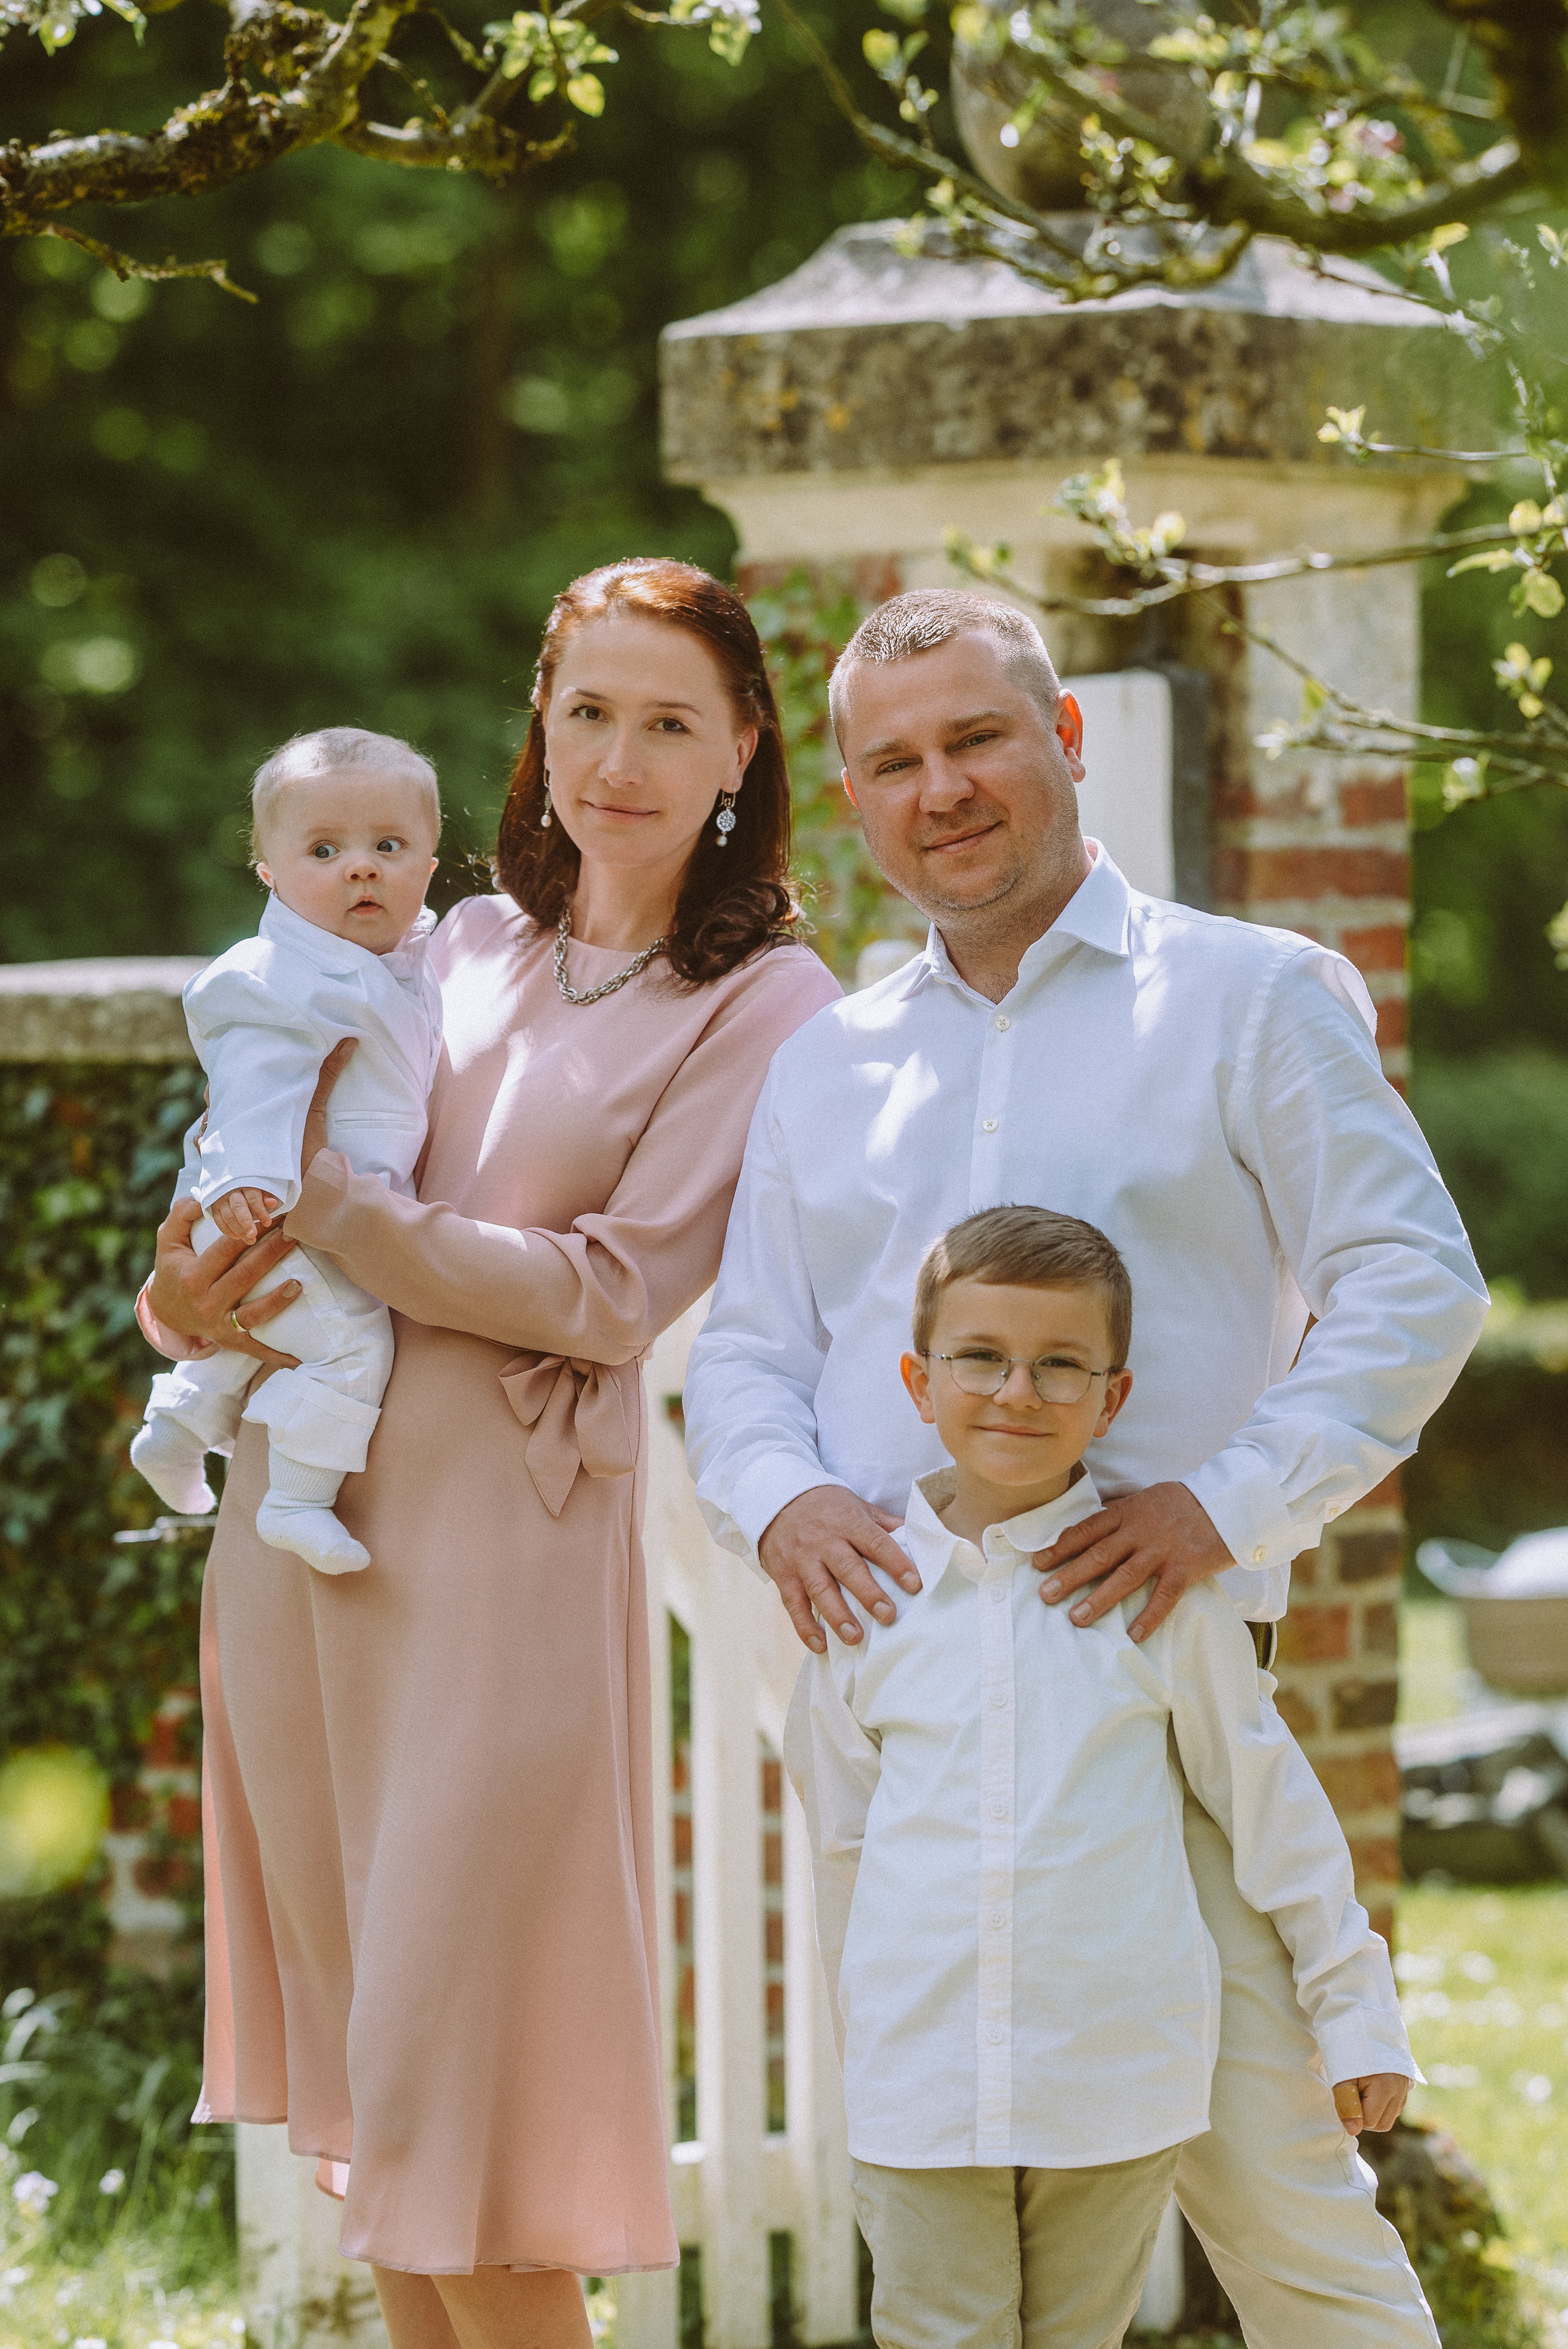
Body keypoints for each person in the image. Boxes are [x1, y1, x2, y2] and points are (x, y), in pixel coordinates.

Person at [685, 588, 1488, 2342]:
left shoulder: (1251, 998)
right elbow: (746, 1353)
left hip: (1153, 1715)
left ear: (1064, 741)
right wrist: (789, 1497)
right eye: (891, 762)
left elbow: (1414, 1285)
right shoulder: (830, 1065)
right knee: (953, 2269)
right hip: (905, 1743)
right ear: (851, 798)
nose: (940, 788)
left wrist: (1222, 1502)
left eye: (977, 737)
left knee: (1286, 2213)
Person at [137, 559, 840, 2349]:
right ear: (539, 721)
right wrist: (191, 1286)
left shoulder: (764, 1001)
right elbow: (256, 1175)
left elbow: (611, 1293)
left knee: (477, 2106)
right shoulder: (448, 945)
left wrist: (341, 1217)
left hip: (511, 1562)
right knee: (378, 2095)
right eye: (587, 709)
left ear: (743, 747)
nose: (617, 756)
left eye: (670, 719)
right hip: (310, 1556)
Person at [785, 1204, 1422, 2349]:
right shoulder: (865, 1610)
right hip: (923, 2082)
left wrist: (1357, 2012)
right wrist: (869, 2046)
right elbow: (842, 1847)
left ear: (1110, 1397)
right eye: (979, 1356)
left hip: (1114, 2079)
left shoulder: (1155, 1600)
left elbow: (1279, 1817)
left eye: (1059, 1365)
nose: (1017, 1391)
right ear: (918, 1381)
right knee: (940, 2331)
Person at [132, 728, 444, 1576]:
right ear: (268, 871)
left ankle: (174, 1427)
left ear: (431, 860)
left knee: (260, 1331)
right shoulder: (274, 978)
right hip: (268, 1206)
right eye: (324, 848)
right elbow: (254, 1087)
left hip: (323, 1215)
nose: (362, 867)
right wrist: (249, 1177)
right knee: (350, 1343)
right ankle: (297, 1497)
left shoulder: (421, 957)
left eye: (389, 846)